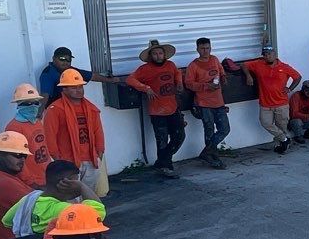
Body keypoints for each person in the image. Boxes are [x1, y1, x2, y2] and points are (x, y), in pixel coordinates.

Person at [3, 160, 105, 239]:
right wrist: (83, 187)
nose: (78, 186)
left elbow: (7, 221)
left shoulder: (30, 199)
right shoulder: (58, 210)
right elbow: (98, 213)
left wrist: (34, 224)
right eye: (76, 181)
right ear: (63, 183)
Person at [126, 40, 186, 180]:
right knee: (162, 140)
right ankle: (166, 165)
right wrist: (146, 88)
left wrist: (179, 83)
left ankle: (162, 162)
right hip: (157, 111)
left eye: (160, 53)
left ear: (164, 54)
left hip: (173, 107)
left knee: (179, 136)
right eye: (155, 53)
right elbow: (130, 79)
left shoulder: (171, 65)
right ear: (151, 55)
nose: (158, 56)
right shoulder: (144, 69)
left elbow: (177, 72)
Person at [42, 67, 106, 193]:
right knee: (70, 200)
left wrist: (99, 153)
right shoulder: (55, 109)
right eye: (74, 87)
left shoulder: (91, 109)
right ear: (64, 89)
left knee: (88, 197)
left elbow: (98, 132)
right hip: (67, 163)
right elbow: (50, 137)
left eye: (80, 87)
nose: (79, 90)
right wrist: (58, 162)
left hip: (91, 161)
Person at [184, 37, 236, 168]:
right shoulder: (193, 65)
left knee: (225, 129)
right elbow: (189, 84)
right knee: (209, 129)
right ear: (197, 49)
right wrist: (206, 86)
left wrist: (223, 77)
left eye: (207, 48)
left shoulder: (214, 59)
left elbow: (221, 70)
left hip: (218, 101)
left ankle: (207, 152)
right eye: (202, 48)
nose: (205, 51)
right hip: (203, 103)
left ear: (211, 48)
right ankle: (213, 156)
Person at [242, 43, 302, 154]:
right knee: (265, 123)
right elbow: (244, 65)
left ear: (275, 54)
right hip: (265, 104)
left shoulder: (284, 67)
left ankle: (282, 146)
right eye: (265, 54)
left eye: (269, 54)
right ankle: (285, 139)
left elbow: (297, 77)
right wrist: (248, 75)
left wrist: (290, 88)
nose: (267, 56)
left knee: (282, 127)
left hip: (282, 104)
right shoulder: (258, 64)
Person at [5, 83, 52, 189]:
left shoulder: (37, 122)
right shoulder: (14, 127)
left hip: (46, 176)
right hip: (31, 182)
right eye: (27, 103)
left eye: (35, 103)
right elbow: (15, 159)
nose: (32, 106)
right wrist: (30, 182)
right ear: (19, 104)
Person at [39, 47, 117, 103]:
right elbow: (45, 94)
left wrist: (111, 80)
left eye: (68, 59)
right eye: (62, 59)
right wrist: (39, 113)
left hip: (72, 107)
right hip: (57, 110)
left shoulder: (71, 70)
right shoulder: (48, 73)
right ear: (54, 59)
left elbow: (92, 76)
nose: (65, 62)